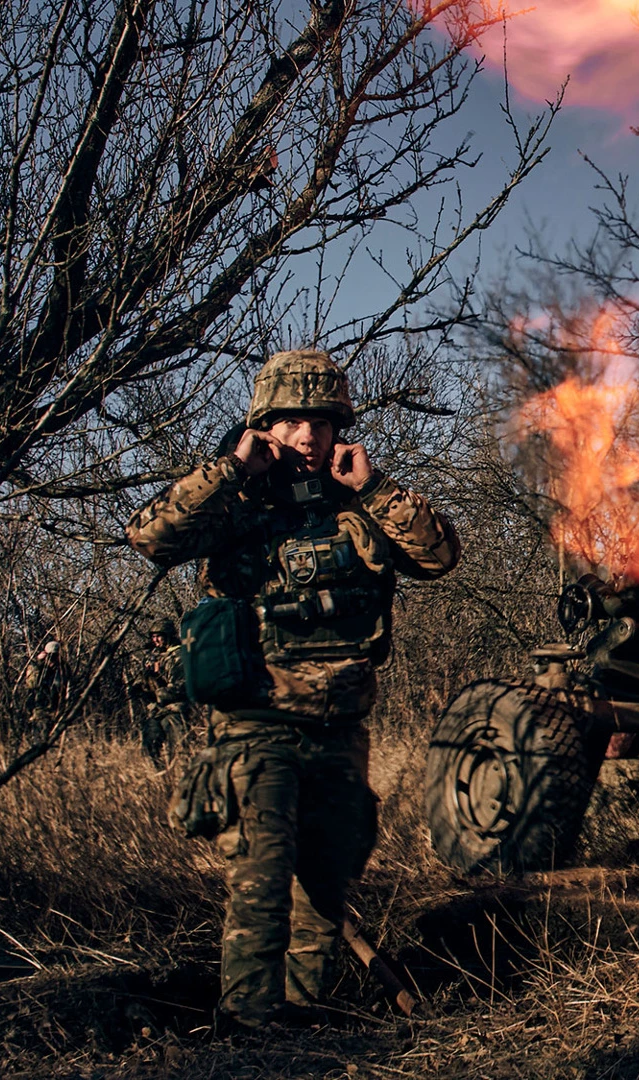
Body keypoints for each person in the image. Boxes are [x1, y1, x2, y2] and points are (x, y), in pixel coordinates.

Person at [123, 349, 458, 1032]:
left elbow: (439, 556)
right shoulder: (235, 503)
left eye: (322, 421)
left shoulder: (359, 504)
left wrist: (376, 488)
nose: (309, 436)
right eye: (292, 421)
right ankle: (248, 1023)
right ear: (264, 427)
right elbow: (150, 536)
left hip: (340, 728)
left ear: (341, 428)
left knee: (326, 884)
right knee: (263, 878)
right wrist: (228, 470)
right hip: (256, 726)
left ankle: (307, 1017)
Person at [128, 617, 187, 764]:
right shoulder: (153, 656)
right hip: (156, 710)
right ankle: (159, 778)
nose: (155, 640)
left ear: (168, 635)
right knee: (149, 749)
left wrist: (158, 693)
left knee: (179, 751)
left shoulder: (180, 656)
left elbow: (182, 686)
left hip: (175, 710)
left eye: (159, 636)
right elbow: (143, 679)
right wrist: (138, 688)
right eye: (153, 636)